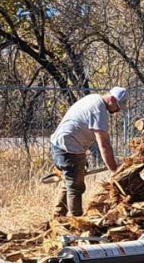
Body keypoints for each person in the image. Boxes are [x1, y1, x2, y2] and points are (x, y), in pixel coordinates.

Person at [50, 87, 126, 217]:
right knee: (75, 187)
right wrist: (114, 170)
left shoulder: (94, 99)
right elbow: (104, 145)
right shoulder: (98, 109)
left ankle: (58, 217)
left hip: (60, 145)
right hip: (69, 147)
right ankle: (77, 222)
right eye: (118, 106)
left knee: (68, 182)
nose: (118, 110)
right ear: (112, 99)